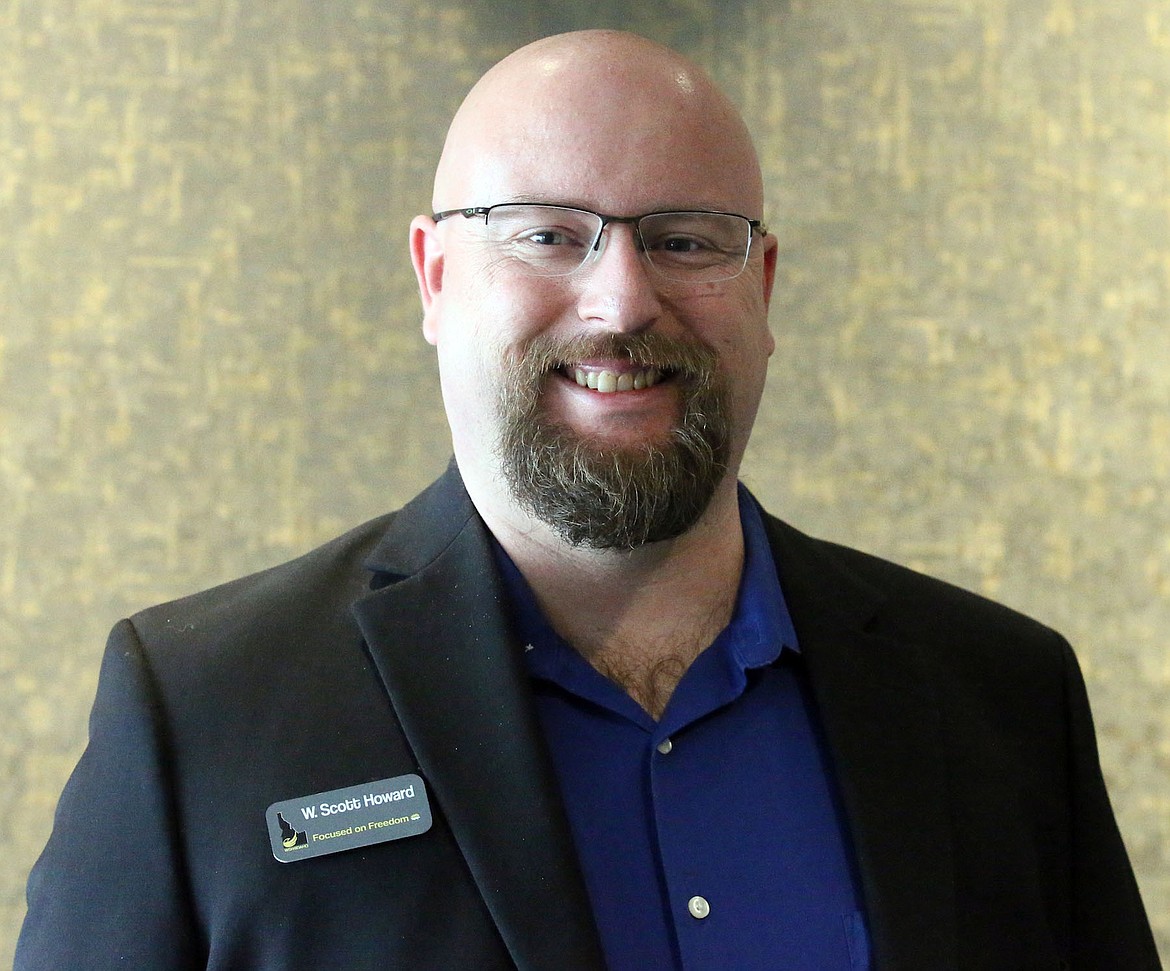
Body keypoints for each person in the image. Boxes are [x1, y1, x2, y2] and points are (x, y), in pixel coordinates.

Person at [17, 29, 1159, 971]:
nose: (621, 302)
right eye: (548, 235)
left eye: (685, 240)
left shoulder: (1005, 699)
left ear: (763, 287)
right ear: (434, 277)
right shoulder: (202, 714)